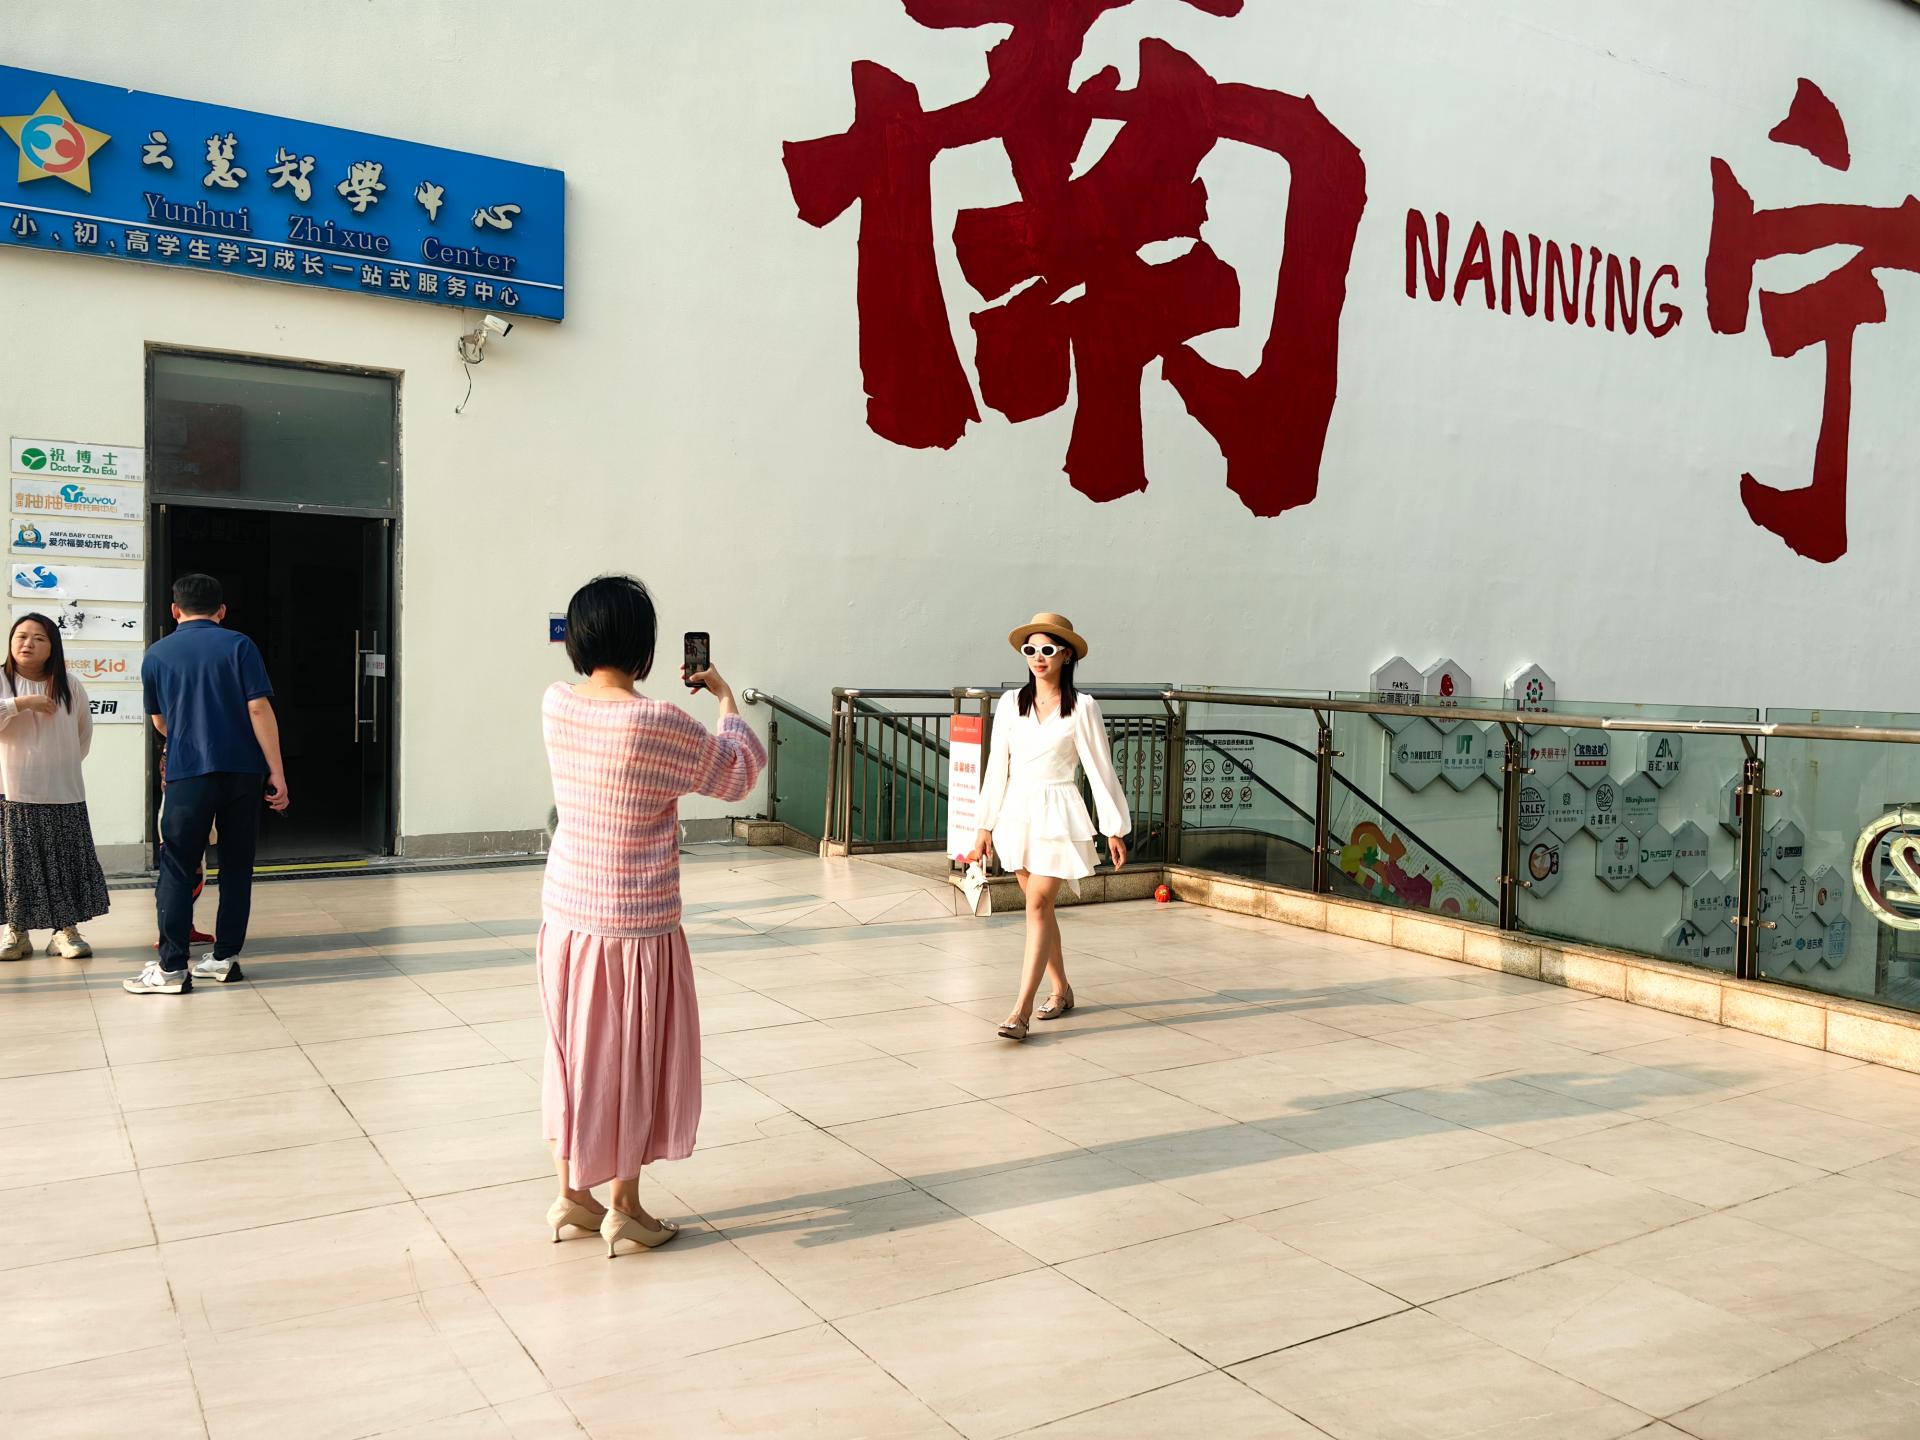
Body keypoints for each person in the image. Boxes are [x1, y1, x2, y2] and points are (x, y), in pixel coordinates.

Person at [539, 574, 764, 1255]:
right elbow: (736, 774)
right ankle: (625, 1207)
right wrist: (725, 699)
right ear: (644, 645)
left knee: (573, 1054)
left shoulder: (555, 704)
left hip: (567, 917)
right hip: (636, 922)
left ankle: (571, 1195)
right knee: (631, 1060)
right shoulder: (659, 721)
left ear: (579, 641)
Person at [123, 574, 288, 996]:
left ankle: (172, 968)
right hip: (243, 771)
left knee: (178, 866)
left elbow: (160, 721)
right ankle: (223, 958)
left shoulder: (157, 654)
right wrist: (277, 772)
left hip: (189, 772)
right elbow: (258, 708)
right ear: (222, 610)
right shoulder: (239, 645)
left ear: (174, 610)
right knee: (236, 865)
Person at [969, 612, 1131, 1042]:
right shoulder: (1011, 703)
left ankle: (1019, 1012)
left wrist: (1113, 827)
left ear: (1066, 655)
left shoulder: (1083, 706)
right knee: (1039, 908)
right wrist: (984, 825)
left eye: (1047, 649)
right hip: (1016, 813)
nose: (1038, 657)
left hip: (1059, 811)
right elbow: (997, 766)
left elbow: (1100, 769)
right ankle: (1061, 990)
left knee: (1038, 905)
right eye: (1031, 650)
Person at [0, 614, 110, 960]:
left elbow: (82, 736)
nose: (27, 644)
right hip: (11, 792)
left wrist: (57, 767)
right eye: (21, 636)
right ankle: (16, 932)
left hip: (63, 791)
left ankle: (65, 931)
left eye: (39, 638)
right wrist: (21, 703)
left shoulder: (69, 685)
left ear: (52, 647)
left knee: (64, 865)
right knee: (16, 866)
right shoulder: (2, 680)